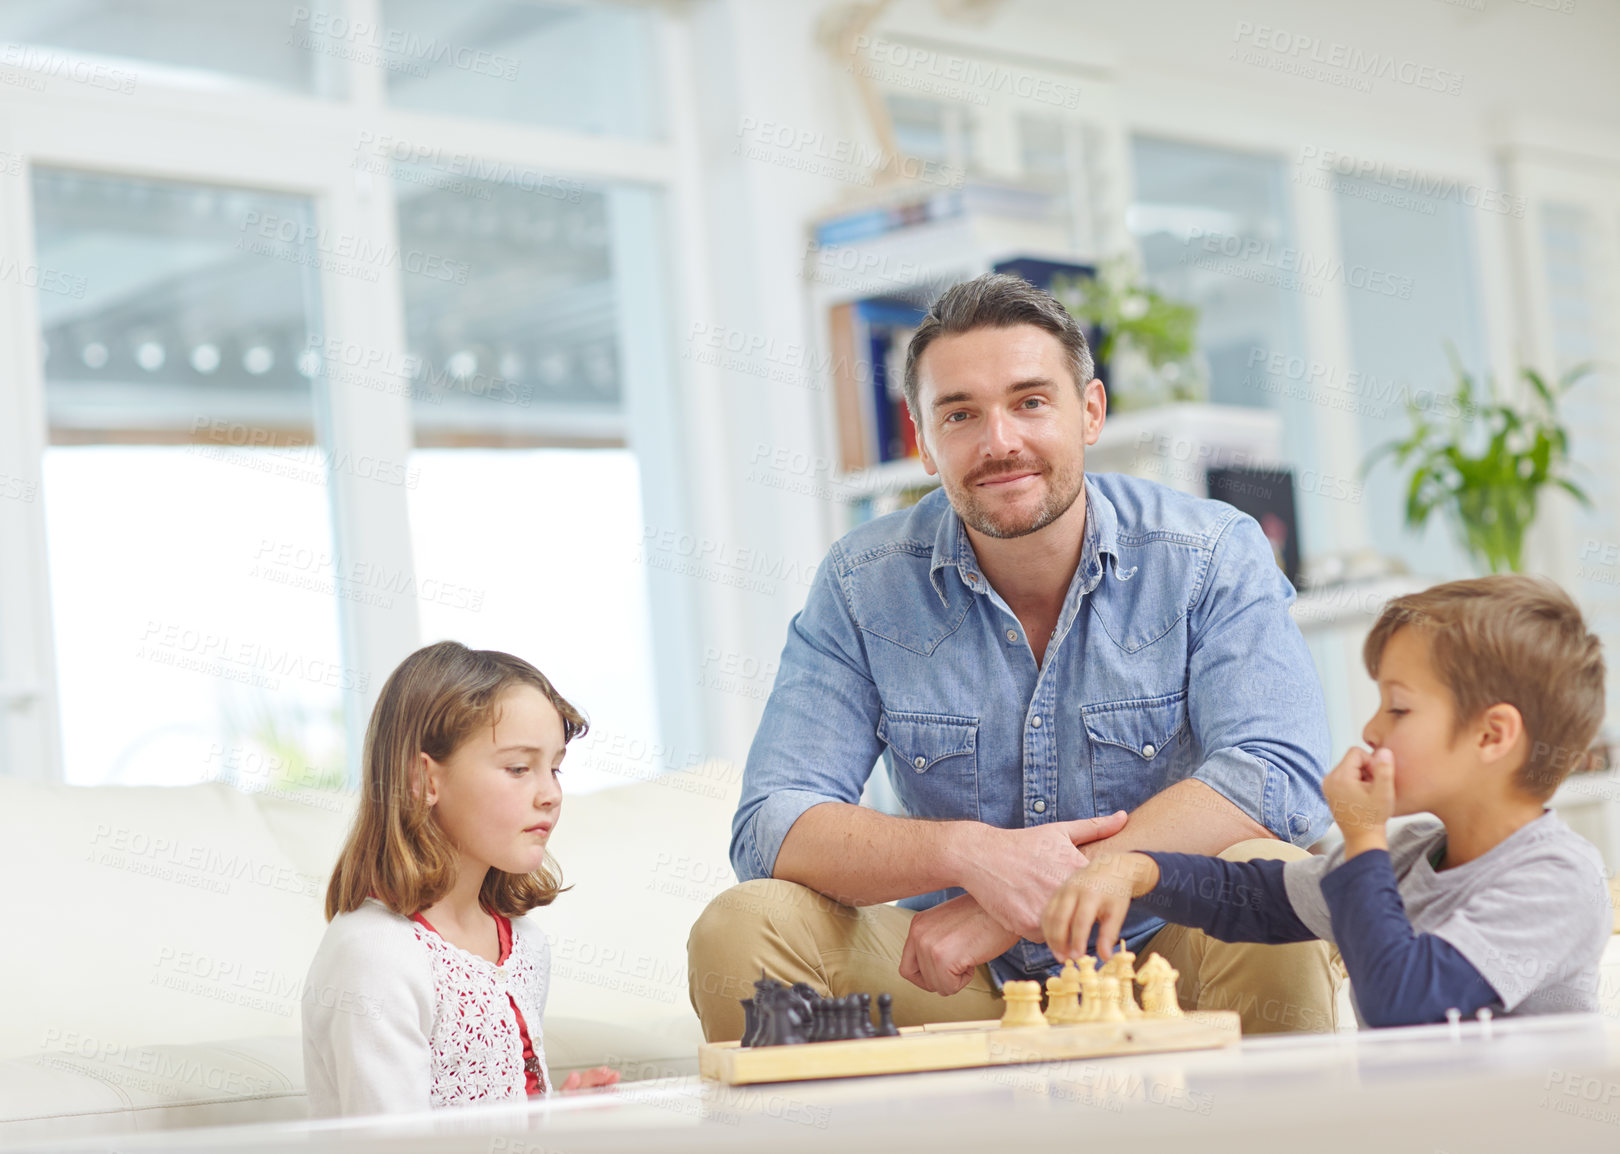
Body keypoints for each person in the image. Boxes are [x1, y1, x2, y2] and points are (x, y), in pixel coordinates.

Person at [688, 273, 1339, 1041]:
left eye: (1031, 402)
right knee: (745, 928)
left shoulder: (1209, 553)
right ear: (924, 441)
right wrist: (971, 857)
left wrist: (1057, 889)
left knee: (1267, 872)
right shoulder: (863, 583)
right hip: (953, 973)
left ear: (1089, 412)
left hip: (1164, 950)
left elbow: (1277, 770)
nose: (1000, 443)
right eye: (960, 414)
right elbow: (773, 823)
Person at [1044, 576, 1612, 1026]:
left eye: (1398, 708)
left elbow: (1407, 1005)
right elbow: (1256, 899)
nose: (1370, 727)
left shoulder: (1555, 878)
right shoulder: (1410, 854)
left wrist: (1363, 835)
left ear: (1492, 736)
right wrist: (1138, 871)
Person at [302, 642, 619, 1116]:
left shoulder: (525, 946)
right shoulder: (375, 956)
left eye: (554, 768)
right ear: (423, 779)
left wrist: (558, 1119)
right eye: (518, 768)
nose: (551, 793)